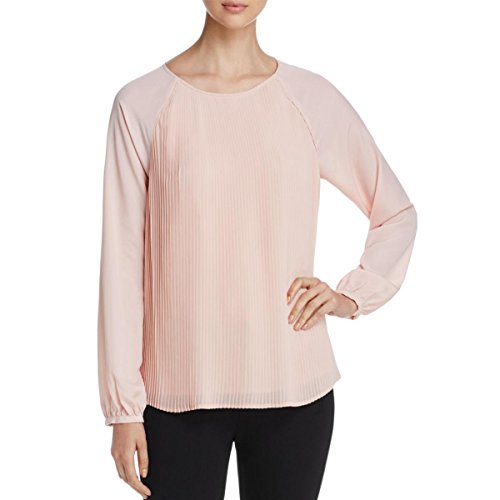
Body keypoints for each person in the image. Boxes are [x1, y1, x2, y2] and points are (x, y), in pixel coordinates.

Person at [97, 1, 418, 498]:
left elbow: (395, 213)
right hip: (176, 397)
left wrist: (350, 296)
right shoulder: (141, 103)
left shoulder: (310, 98)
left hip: (294, 391)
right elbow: (121, 265)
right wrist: (123, 409)